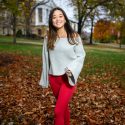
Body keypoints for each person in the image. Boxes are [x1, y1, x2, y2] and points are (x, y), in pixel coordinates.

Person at [39, 7, 86, 125]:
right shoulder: (48, 37)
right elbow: (45, 59)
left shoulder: (74, 36)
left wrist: (72, 70)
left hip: (68, 79)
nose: (57, 19)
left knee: (58, 111)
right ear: (51, 21)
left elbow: (81, 56)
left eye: (60, 16)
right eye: (54, 17)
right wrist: (45, 79)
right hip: (53, 78)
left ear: (65, 18)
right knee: (63, 109)